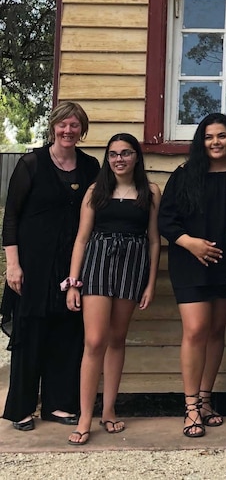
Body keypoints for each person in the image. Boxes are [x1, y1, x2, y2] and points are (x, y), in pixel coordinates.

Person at [2, 102, 101, 431]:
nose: (68, 131)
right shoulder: (31, 163)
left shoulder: (90, 167)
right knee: (31, 333)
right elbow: (11, 217)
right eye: (63, 125)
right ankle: (21, 408)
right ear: (53, 127)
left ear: (82, 130)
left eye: (75, 125)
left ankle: (58, 405)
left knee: (68, 333)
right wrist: (12, 265)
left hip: (72, 264)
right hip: (33, 264)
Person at [158, 113, 226, 437]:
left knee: (216, 331)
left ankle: (206, 399)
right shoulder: (185, 175)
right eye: (210, 136)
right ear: (201, 141)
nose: (216, 142)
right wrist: (190, 244)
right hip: (190, 264)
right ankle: (189, 407)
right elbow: (166, 221)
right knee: (196, 329)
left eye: (222, 136)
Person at [64, 134, 161, 445]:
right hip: (97, 263)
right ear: (108, 158)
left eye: (126, 153)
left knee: (117, 338)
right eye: (114, 154)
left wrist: (149, 283)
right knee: (94, 340)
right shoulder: (96, 191)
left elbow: (155, 241)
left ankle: (108, 410)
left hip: (133, 265)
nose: (119, 159)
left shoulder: (151, 191)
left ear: (136, 157)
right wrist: (73, 283)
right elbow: (81, 238)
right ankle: (84, 417)